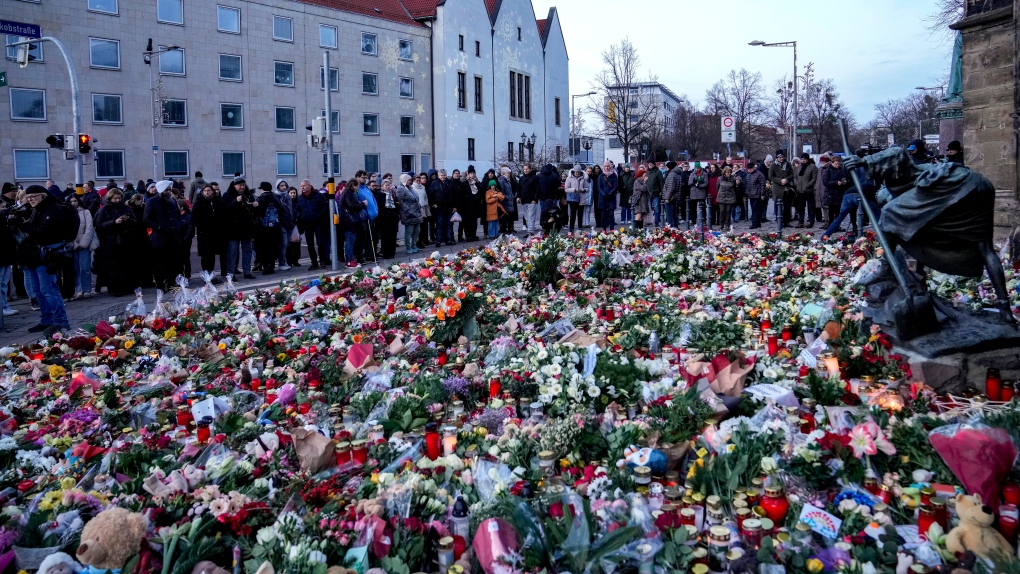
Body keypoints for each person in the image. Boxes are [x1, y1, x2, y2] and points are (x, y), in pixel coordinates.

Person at [13, 185, 71, 332]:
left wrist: (24, 226)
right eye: (29, 197)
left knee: (49, 289)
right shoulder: (36, 209)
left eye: (34, 197)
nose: (30, 200)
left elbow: (44, 232)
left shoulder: (53, 208)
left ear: (43, 196)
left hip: (47, 254)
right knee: (38, 290)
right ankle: (47, 320)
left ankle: (60, 321)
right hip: (34, 254)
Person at [144, 180, 185, 290]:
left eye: (169, 190)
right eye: (166, 190)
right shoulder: (152, 202)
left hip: (173, 236)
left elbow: (177, 216)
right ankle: (160, 285)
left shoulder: (172, 201)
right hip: (160, 238)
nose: (168, 192)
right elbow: (147, 219)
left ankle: (171, 283)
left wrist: (178, 226)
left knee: (173, 262)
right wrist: (159, 227)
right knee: (160, 263)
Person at [822, 155, 872, 240]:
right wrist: (836, 183)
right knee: (832, 211)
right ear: (832, 163)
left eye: (839, 164)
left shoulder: (842, 170)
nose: (838, 165)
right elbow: (825, 182)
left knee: (840, 212)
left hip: (842, 193)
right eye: (836, 164)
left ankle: (845, 226)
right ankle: (831, 227)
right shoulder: (828, 171)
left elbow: (849, 179)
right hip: (832, 193)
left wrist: (845, 182)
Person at [223, 177, 257, 279]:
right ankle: (231, 273)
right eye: (239, 185)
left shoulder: (248, 195)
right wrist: (235, 201)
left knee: (247, 250)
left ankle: (247, 271)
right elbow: (225, 209)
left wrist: (256, 206)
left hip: (246, 227)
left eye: (243, 185)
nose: (242, 187)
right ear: (234, 186)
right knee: (233, 251)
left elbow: (254, 212)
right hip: (233, 228)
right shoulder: (227, 195)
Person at [295, 179, 330, 270]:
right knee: (310, 244)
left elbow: (325, 206)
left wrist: (320, 215)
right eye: (301, 186)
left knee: (320, 242)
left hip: (318, 222)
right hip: (307, 223)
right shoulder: (300, 198)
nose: (302, 187)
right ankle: (314, 262)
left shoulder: (318, 196)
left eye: (304, 185)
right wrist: (300, 216)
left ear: (310, 186)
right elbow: (297, 209)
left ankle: (322, 261)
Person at [66, 195, 96, 299]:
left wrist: (83, 243)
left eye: (75, 201)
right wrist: (74, 243)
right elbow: (68, 230)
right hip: (73, 244)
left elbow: (89, 228)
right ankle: (78, 289)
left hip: (84, 244)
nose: (73, 203)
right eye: (71, 201)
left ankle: (87, 289)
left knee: (85, 268)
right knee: (76, 269)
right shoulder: (67, 214)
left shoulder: (86, 212)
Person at [192, 184, 224, 279]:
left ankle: (211, 275)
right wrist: (201, 227)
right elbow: (195, 217)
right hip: (204, 233)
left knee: (212, 255)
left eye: (209, 190)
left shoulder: (215, 201)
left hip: (214, 233)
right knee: (206, 256)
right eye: (205, 190)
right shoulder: (199, 202)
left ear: (212, 191)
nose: (207, 192)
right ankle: (207, 276)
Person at [253, 182, 283, 275]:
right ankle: (271, 265)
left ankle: (265, 265)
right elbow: (281, 210)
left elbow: (256, 213)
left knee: (263, 246)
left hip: (262, 227)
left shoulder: (260, 199)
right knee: (273, 246)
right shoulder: (276, 198)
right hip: (275, 227)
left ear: (262, 189)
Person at [339, 179, 367, 268]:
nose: (358, 188)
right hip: (349, 221)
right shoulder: (348, 193)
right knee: (350, 241)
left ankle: (350, 259)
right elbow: (352, 207)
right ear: (354, 185)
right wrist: (363, 204)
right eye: (357, 186)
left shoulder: (348, 193)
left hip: (349, 221)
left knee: (351, 240)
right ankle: (349, 260)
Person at [395, 174, 423, 254]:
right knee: (409, 231)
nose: (410, 181)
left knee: (417, 230)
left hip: (416, 212)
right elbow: (400, 201)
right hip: (408, 213)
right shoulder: (400, 189)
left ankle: (414, 245)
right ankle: (408, 247)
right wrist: (407, 210)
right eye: (408, 180)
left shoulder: (410, 188)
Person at [768, 150, 795, 226]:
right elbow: (771, 176)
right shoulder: (773, 165)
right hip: (778, 188)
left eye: (782, 157)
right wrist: (780, 180)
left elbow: (792, 174)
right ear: (777, 157)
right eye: (780, 157)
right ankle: (779, 221)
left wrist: (786, 179)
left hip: (787, 188)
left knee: (787, 206)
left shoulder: (788, 164)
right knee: (778, 205)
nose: (781, 159)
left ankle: (786, 221)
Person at [274, 179, 294, 271]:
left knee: (287, 244)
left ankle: (283, 261)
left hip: (289, 222)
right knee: (283, 243)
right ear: (278, 186)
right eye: (282, 185)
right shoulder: (276, 196)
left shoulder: (287, 196)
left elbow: (291, 209)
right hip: (281, 222)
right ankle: (281, 262)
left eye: (285, 185)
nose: (284, 187)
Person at [793, 153, 818, 228]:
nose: (803, 160)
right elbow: (795, 176)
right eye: (802, 159)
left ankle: (811, 221)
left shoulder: (812, 167)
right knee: (800, 206)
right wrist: (796, 184)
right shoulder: (799, 167)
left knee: (810, 206)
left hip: (808, 190)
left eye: (804, 159)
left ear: (807, 159)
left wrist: (809, 185)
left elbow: (814, 178)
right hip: (800, 190)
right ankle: (801, 221)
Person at [377, 178, 399, 259]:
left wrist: (397, 213)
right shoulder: (380, 195)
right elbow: (379, 206)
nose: (388, 187)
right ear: (382, 186)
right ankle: (386, 253)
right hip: (384, 217)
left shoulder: (392, 194)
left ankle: (392, 252)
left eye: (389, 185)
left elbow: (397, 204)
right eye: (386, 185)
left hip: (393, 216)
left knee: (392, 236)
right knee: (385, 236)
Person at [458, 170, 483, 241]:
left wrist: (477, 183)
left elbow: (481, 192)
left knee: (474, 221)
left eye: (473, 173)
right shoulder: (465, 183)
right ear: (468, 174)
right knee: (467, 222)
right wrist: (467, 196)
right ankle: (468, 235)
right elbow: (461, 194)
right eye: (471, 173)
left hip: (475, 205)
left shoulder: (476, 182)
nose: (472, 174)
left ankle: (473, 235)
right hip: (467, 206)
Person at [517, 164, 540, 233]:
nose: (525, 170)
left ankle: (530, 231)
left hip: (532, 200)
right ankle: (529, 230)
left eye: (527, 169)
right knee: (526, 217)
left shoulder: (535, 178)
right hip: (524, 200)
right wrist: (518, 196)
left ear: (530, 169)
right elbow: (519, 188)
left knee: (531, 216)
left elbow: (538, 189)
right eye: (524, 169)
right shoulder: (521, 178)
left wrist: (535, 199)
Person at [744, 161, 767, 229]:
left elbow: (763, 185)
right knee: (754, 209)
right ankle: (757, 223)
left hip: (757, 194)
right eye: (749, 168)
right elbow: (747, 185)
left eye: (751, 168)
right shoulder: (748, 175)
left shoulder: (759, 174)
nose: (750, 169)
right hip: (751, 195)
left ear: (754, 168)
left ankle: (755, 223)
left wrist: (762, 194)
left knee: (755, 210)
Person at [597, 160, 618, 230]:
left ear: (610, 166)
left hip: (611, 197)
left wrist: (610, 194)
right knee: (603, 215)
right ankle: (604, 229)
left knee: (611, 214)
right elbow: (599, 187)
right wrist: (604, 194)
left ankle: (612, 229)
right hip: (603, 198)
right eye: (605, 166)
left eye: (608, 166)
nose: (607, 167)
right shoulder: (601, 176)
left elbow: (615, 186)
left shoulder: (614, 175)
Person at [412, 173, 431, 249]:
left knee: (424, 226)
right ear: (414, 180)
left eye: (419, 180)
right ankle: (416, 242)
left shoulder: (423, 187)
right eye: (417, 180)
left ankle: (422, 241)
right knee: (418, 227)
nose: (419, 182)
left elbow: (425, 197)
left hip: (424, 208)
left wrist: (427, 205)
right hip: (417, 209)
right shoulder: (412, 187)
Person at [564, 165, 586, 232]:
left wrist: (584, 189)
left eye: (579, 172)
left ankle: (580, 227)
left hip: (581, 198)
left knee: (580, 214)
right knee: (572, 214)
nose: (577, 174)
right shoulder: (569, 178)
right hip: (573, 198)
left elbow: (587, 188)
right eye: (576, 172)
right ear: (574, 171)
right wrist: (574, 189)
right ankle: (571, 228)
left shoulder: (584, 178)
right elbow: (566, 189)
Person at [661, 161, 683, 228]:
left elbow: (671, 187)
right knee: (674, 214)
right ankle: (675, 228)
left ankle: (671, 229)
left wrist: (667, 198)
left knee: (669, 215)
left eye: (666, 167)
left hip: (670, 198)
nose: (666, 168)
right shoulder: (677, 174)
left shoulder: (671, 174)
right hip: (675, 197)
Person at [689, 163, 709, 228]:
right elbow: (689, 183)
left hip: (701, 192)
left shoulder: (704, 174)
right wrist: (693, 182)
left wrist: (700, 185)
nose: (697, 169)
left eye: (698, 168)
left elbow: (706, 183)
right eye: (696, 168)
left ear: (700, 168)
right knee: (692, 208)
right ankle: (693, 220)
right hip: (693, 193)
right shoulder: (692, 174)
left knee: (702, 207)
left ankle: (703, 220)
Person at [178, 199, 194, 278]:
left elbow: (190, 230)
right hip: (178, 240)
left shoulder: (188, 217)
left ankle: (187, 275)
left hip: (185, 241)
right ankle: (180, 275)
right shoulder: (176, 216)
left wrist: (185, 239)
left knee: (185, 258)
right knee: (179, 259)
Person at [285, 188, 301, 267]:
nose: (293, 194)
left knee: (296, 244)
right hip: (289, 225)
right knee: (289, 245)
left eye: (294, 193)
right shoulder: (286, 201)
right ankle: (289, 260)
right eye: (291, 193)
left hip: (296, 225)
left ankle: (295, 260)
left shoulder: (298, 201)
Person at [645, 159, 663, 227]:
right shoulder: (647, 172)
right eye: (649, 164)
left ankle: (656, 221)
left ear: (654, 164)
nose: (649, 166)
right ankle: (649, 221)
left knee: (656, 208)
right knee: (649, 208)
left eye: (651, 164)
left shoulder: (658, 172)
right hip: (648, 193)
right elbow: (646, 182)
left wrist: (661, 192)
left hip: (656, 192)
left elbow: (661, 183)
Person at [497, 167, 516, 235]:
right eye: (508, 173)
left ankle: (508, 229)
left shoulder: (507, 181)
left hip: (509, 201)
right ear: (504, 173)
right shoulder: (502, 181)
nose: (509, 174)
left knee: (509, 216)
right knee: (505, 216)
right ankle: (503, 230)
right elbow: (501, 191)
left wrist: (512, 196)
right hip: (505, 201)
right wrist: (506, 197)